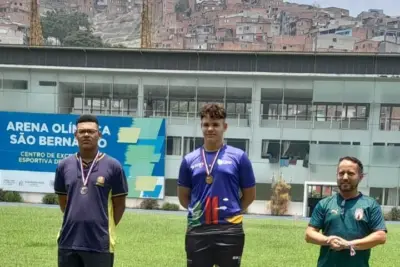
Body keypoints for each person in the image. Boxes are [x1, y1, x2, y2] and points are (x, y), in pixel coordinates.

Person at [177, 103, 256, 267]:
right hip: (197, 230)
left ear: (224, 127)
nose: (210, 129)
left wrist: (231, 210)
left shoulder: (239, 157)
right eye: (206, 124)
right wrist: (200, 211)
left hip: (230, 231)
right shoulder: (189, 160)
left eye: (215, 124)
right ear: (201, 127)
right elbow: (184, 198)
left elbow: (250, 195)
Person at [54, 114, 129, 267]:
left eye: (91, 131)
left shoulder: (113, 166)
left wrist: (101, 225)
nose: (86, 135)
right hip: (68, 241)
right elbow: (64, 202)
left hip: (99, 243)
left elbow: (119, 205)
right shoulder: (64, 165)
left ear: (99, 135)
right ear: (76, 135)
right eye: (82, 132)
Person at [305, 156, 387, 267]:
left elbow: (381, 236)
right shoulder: (324, 204)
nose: (345, 177)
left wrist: (349, 244)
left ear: (360, 177)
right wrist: (328, 240)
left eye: (351, 173)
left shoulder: (370, 205)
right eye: (341, 173)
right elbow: (309, 234)